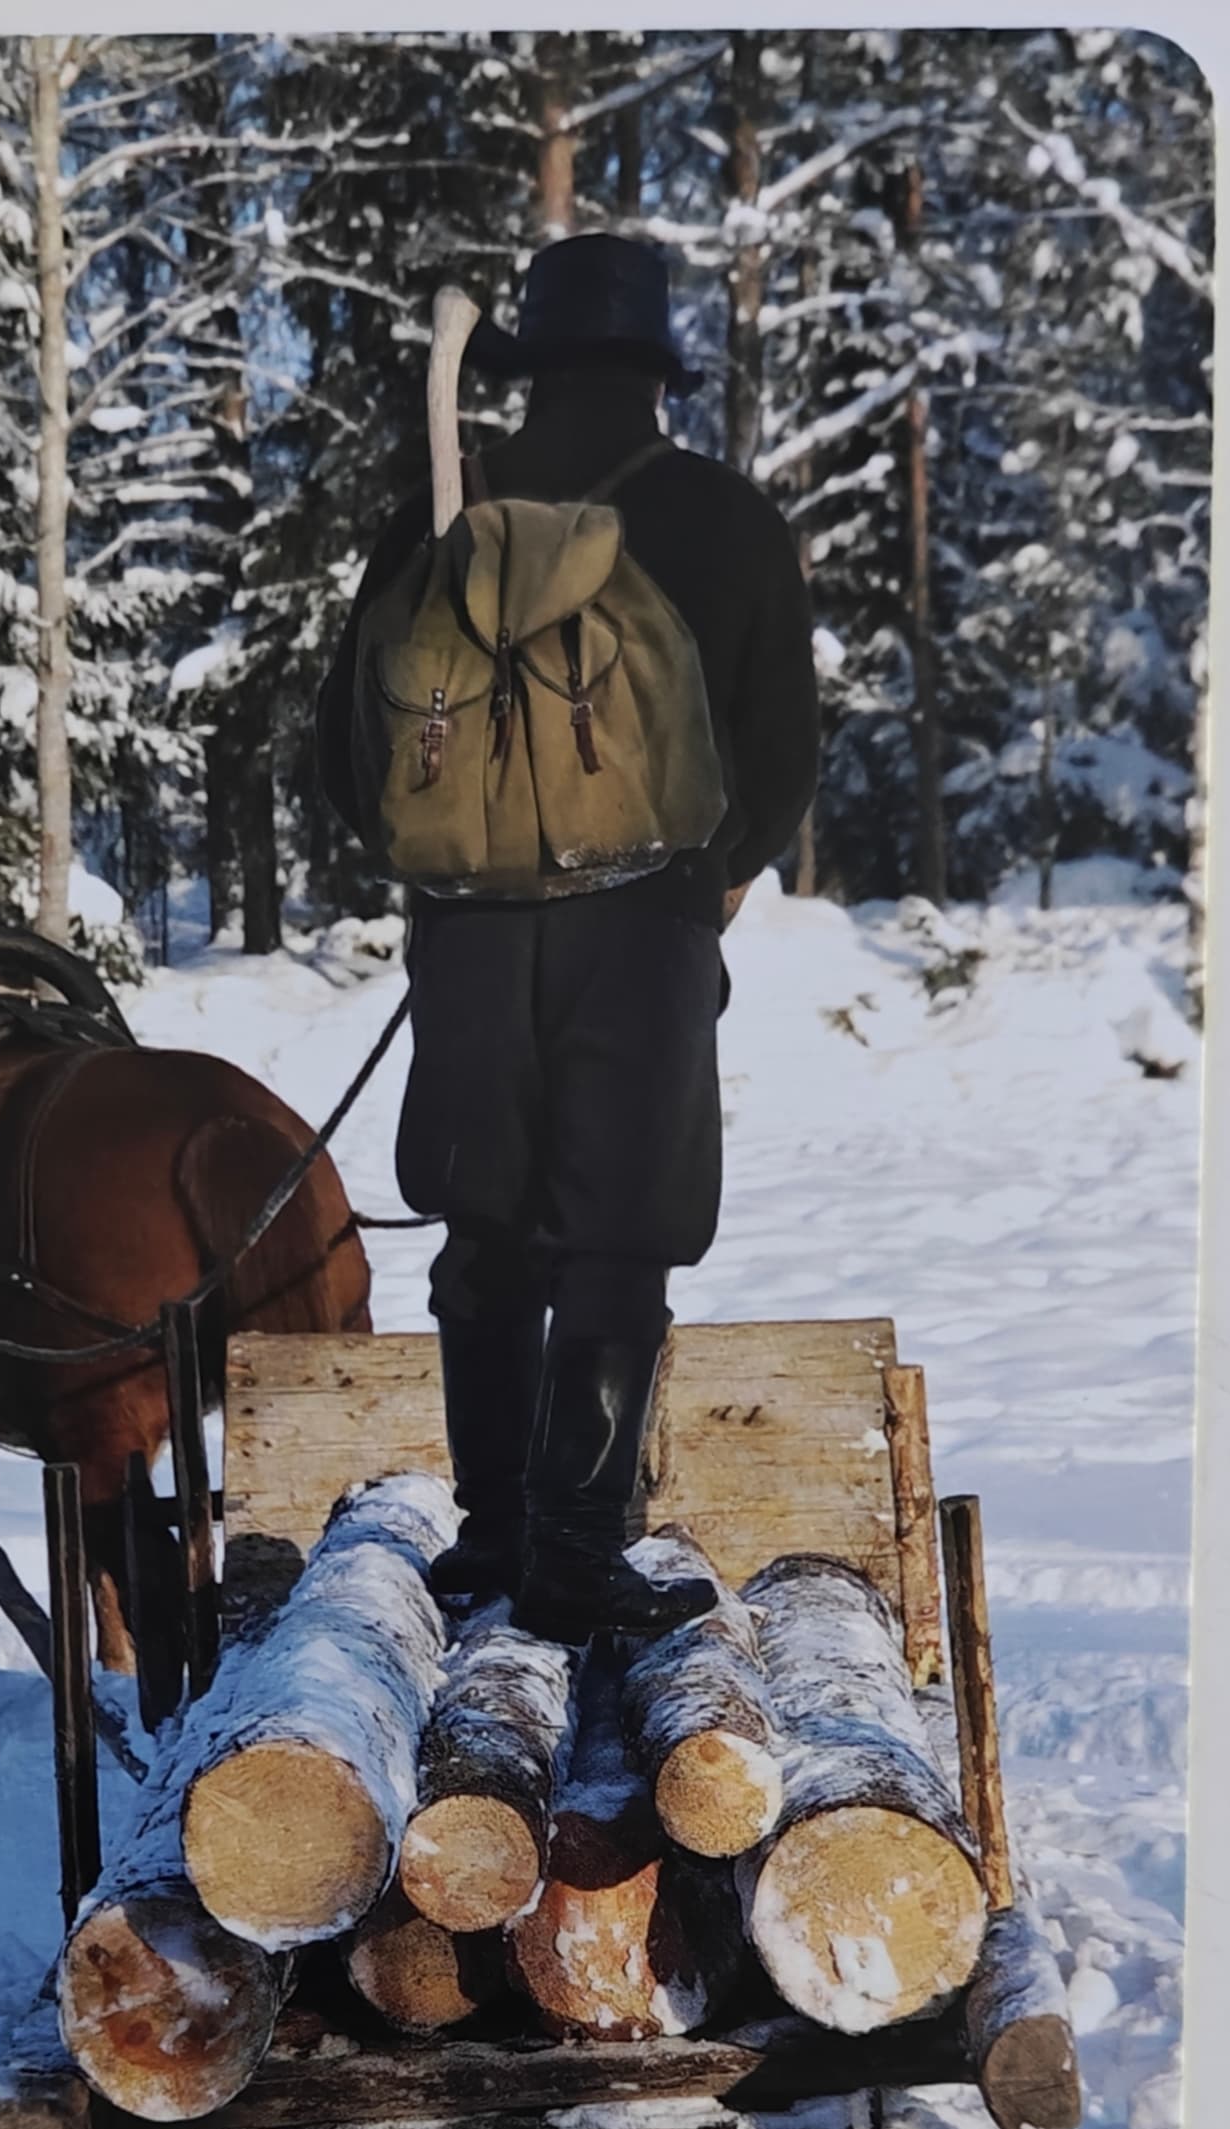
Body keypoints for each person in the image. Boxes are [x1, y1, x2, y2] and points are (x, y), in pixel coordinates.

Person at [316, 233, 820, 1645]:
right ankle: (577, 1559)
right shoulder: (727, 521)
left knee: (483, 1232)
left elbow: (343, 758)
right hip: (647, 932)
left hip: (470, 941)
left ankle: (489, 1534)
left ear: (530, 364)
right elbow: (783, 753)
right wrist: (703, 880)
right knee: (616, 1240)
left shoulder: (443, 509)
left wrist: (459, 862)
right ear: (658, 370)